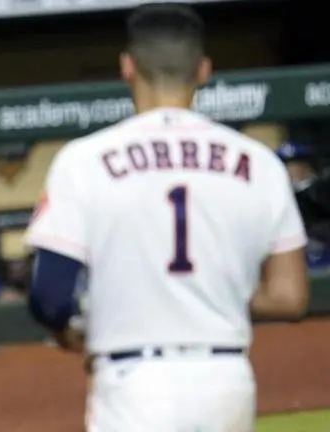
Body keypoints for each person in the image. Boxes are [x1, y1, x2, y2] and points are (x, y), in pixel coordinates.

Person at [23, 3, 309, 431]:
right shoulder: (258, 162)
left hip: (134, 381)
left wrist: (73, 334)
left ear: (126, 67)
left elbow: (49, 297)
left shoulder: (83, 160)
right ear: (204, 70)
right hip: (225, 381)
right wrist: (209, 290)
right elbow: (290, 296)